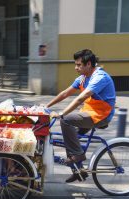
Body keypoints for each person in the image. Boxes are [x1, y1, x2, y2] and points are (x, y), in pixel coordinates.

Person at [45, 49, 116, 183]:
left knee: (66, 121)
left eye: (79, 65)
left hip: (101, 115)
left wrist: (61, 114)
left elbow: (80, 98)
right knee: (70, 138)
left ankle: (78, 156)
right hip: (90, 112)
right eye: (76, 64)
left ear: (88, 64)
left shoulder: (99, 77)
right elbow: (65, 93)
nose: (76, 67)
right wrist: (46, 106)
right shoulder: (83, 78)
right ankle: (79, 172)